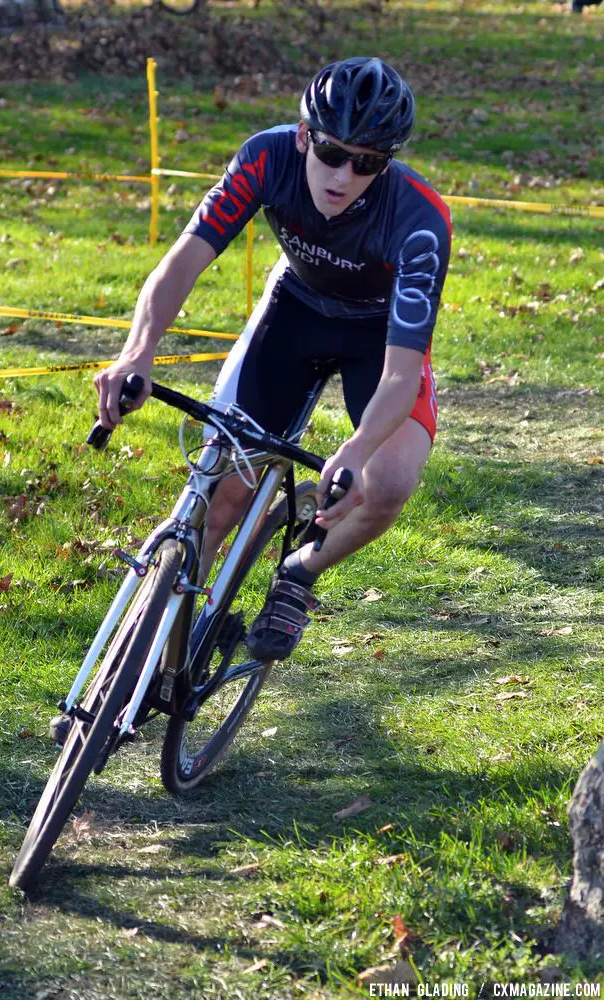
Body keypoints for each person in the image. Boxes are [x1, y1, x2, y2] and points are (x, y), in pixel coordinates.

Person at [94, 56, 452, 662]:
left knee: (386, 485)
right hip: (295, 309)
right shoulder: (267, 157)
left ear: (385, 164)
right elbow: (183, 260)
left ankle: (299, 573)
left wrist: (357, 451)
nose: (342, 174)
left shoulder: (419, 220)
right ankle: (148, 659)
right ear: (303, 135)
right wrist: (139, 351)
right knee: (220, 496)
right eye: (331, 152)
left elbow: (400, 371)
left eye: (366, 163)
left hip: (377, 333)